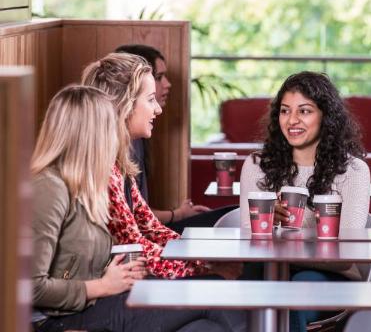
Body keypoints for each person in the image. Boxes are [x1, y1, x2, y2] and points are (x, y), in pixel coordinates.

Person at [31, 85, 243, 332]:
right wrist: (103, 285)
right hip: (61, 319)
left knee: (205, 327)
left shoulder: (86, 184)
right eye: (111, 128)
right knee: (216, 291)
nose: (116, 137)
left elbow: (81, 258)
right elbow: (30, 287)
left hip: (97, 302)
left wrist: (123, 272)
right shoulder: (49, 188)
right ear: (90, 134)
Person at [82, 53, 242, 281]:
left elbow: (151, 228)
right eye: (150, 100)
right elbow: (135, 248)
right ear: (124, 105)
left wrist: (207, 259)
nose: (157, 109)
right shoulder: (102, 168)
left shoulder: (117, 161)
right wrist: (206, 268)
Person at [239, 71, 371, 332]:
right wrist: (267, 226)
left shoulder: (354, 171)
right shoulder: (256, 165)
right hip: (270, 271)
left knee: (292, 295)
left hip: (332, 277)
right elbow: (247, 245)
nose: (292, 120)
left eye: (305, 111)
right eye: (285, 111)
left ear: (326, 116)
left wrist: (282, 240)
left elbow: (345, 257)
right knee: (254, 283)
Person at [115, 44, 232, 231]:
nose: (167, 84)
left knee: (231, 216)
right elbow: (132, 216)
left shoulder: (139, 135)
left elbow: (138, 209)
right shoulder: (119, 142)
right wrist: (177, 215)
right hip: (139, 240)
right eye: (159, 77)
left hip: (148, 233)